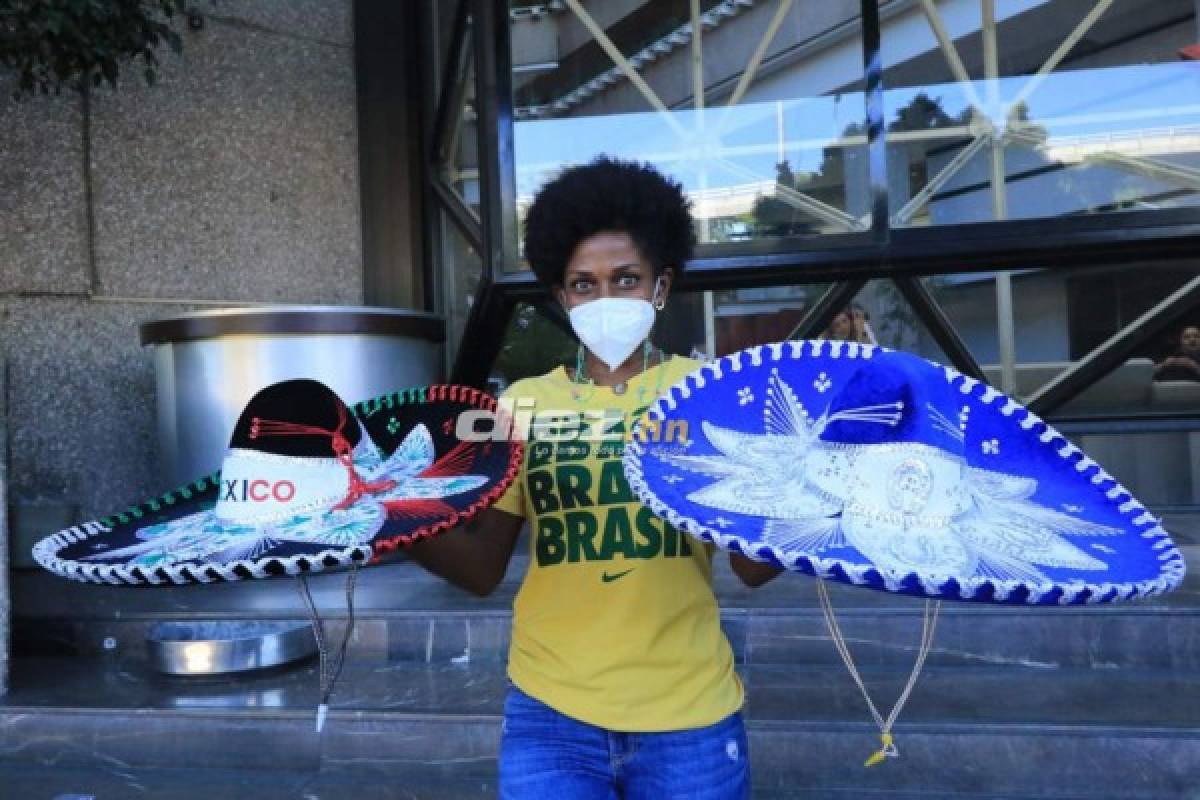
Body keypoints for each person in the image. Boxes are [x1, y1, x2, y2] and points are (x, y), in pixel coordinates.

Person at [407, 156, 781, 799]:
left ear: (661, 286)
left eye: (626, 279)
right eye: (583, 284)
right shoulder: (521, 405)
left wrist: (827, 504)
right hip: (550, 715)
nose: (604, 299)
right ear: (561, 295)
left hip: (687, 713)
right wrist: (386, 516)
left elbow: (748, 566)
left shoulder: (708, 396)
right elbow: (481, 568)